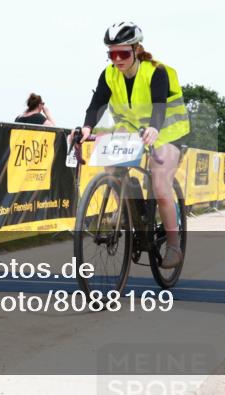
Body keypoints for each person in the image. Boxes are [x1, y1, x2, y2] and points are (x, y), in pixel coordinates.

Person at [79, 21, 190, 268]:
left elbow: (159, 105)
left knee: (160, 184)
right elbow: (97, 104)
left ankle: (174, 245)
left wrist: (154, 128)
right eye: (112, 54)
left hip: (167, 130)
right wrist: (87, 128)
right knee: (111, 166)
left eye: (123, 53)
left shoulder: (156, 71)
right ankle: (129, 210)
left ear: (136, 49)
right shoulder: (109, 74)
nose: (117, 60)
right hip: (132, 129)